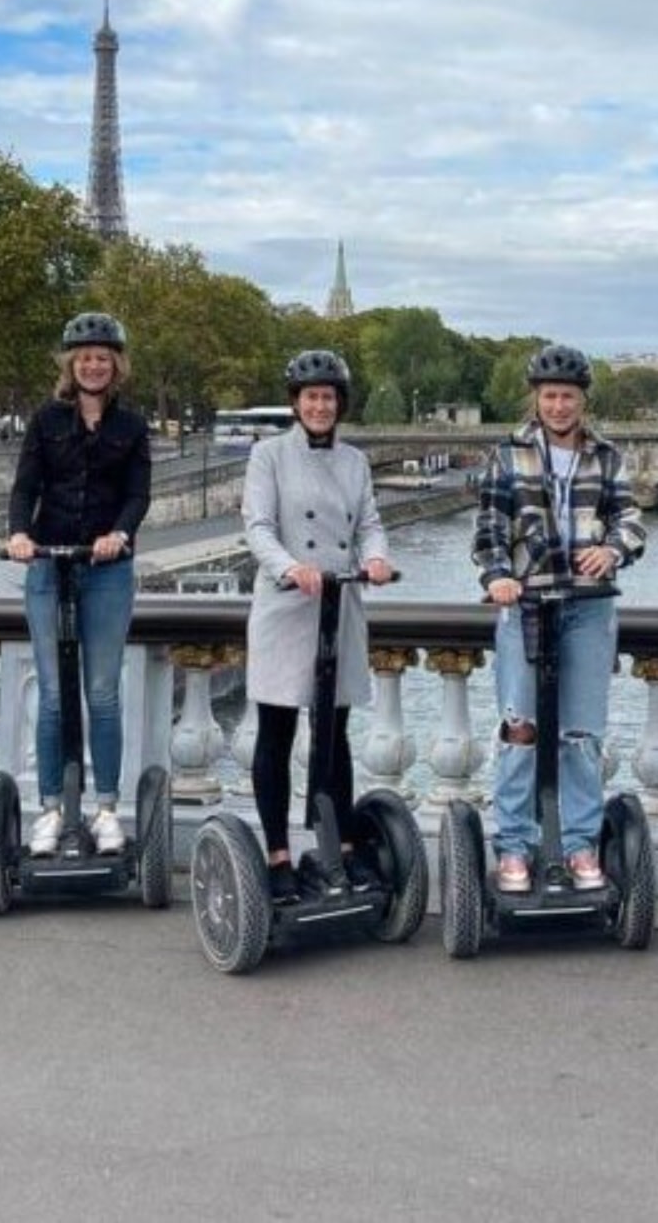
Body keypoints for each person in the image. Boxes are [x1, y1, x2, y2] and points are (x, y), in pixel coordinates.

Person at [471, 344, 647, 894]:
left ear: (582, 401)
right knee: (519, 727)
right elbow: (489, 530)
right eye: (549, 396)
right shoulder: (507, 455)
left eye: (568, 396)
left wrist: (614, 550)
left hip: (589, 605)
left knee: (581, 734)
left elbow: (633, 520)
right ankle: (515, 846)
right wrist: (497, 575)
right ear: (536, 399)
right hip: (523, 602)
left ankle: (579, 845)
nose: (558, 405)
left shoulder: (608, 457)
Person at [242, 350, 392, 902]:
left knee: (336, 732)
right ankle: (278, 853)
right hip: (287, 604)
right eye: (311, 397)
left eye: (329, 397)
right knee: (276, 733)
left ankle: (340, 847)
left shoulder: (355, 461)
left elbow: (371, 523)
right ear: (296, 403)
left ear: (340, 404)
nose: (321, 405)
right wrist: (291, 568)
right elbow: (257, 527)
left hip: (340, 603)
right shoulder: (268, 456)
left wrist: (375, 559)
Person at [5, 311, 152, 855]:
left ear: (116, 365)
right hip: (49, 566)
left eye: (103, 357)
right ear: (72, 364)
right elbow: (25, 488)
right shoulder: (45, 421)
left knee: (102, 694)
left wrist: (119, 533)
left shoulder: (132, 427)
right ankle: (50, 807)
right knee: (52, 696)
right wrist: (19, 534)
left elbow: (139, 494)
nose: (93, 365)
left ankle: (107, 807)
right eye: (85, 357)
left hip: (107, 571)